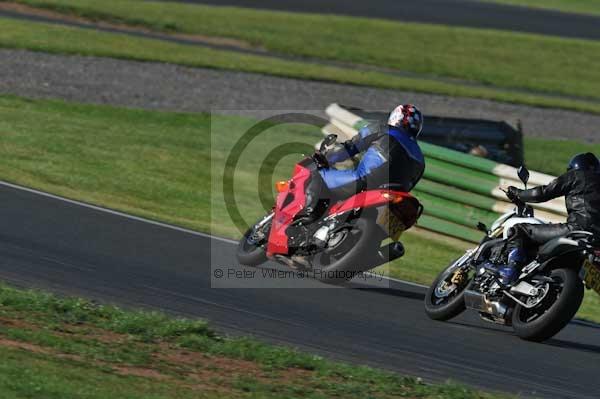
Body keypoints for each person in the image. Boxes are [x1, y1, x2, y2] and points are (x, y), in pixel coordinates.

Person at [303, 104, 425, 217]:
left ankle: (309, 213)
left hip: (364, 182)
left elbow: (349, 148)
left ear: (395, 117)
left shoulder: (382, 128)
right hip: (393, 198)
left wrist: (326, 158)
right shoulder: (421, 159)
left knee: (317, 173)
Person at [498, 152, 600, 284]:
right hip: (596, 241)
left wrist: (518, 193)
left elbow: (542, 193)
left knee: (519, 230)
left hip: (577, 230)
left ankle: (510, 270)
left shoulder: (577, 175)